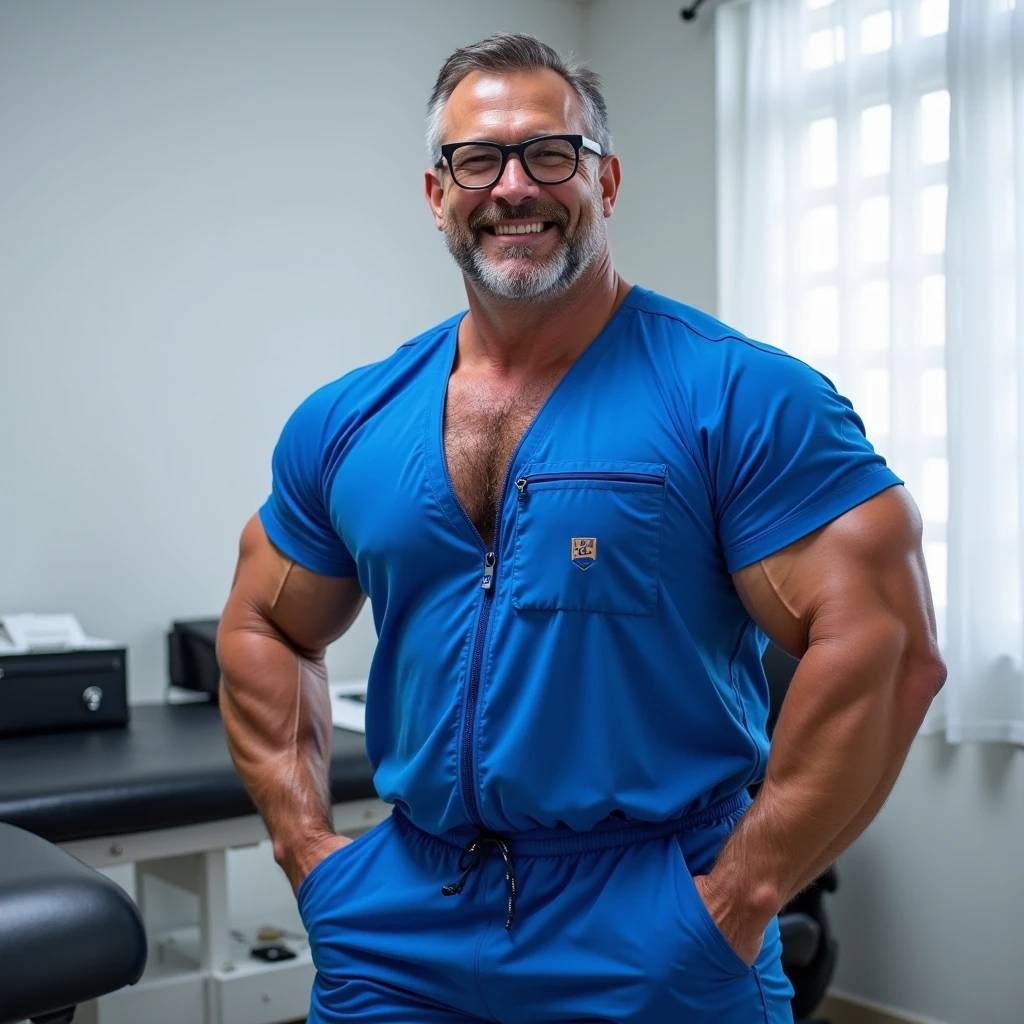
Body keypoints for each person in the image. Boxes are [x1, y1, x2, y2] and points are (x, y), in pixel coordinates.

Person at [217, 33, 946, 1024]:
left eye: (548, 154)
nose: (513, 185)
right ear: (438, 194)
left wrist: (738, 899)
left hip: (653, 923)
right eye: (479, 159)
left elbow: (886, 643)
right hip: (402, 922)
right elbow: (265, 623)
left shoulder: (738, 394)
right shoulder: (348, 418)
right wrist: (308, 855)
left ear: (604, 180)